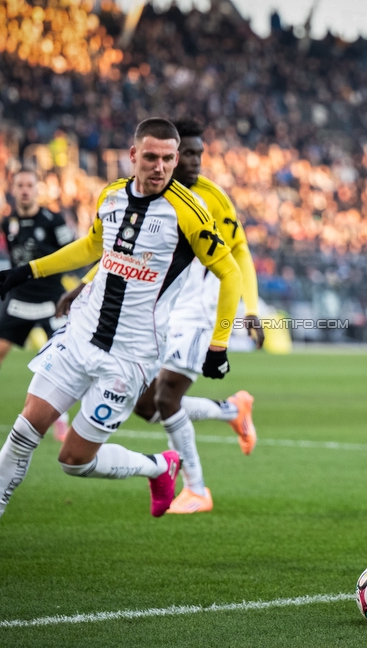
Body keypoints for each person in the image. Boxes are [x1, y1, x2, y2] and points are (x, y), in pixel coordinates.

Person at [0, 118, 242, 558]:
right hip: (80, 335)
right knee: (25, 428)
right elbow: (92, 247)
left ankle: (159, 465)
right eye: (151, 157)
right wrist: (28, 271)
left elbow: (228, 273)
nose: (159, 167)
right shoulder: (111, 195)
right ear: (133, 155)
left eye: (168, 159)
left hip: (130, 357)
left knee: (74, 461)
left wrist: (218, 345)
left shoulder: (189, 211)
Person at [57, 118, 264, 515]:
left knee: (168, 400)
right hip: (151, 317)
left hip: (196, 312)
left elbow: (238, 254)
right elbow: (117, 253)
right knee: (147, 405)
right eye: (187, 153)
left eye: (198, 154)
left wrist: (250, 310)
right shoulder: (139, 198)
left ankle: (197, 488)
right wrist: (85, 283)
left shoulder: (211, 199)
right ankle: (230, 410)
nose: (195, 161)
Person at [0, 170, 76, 440]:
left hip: (51, 299)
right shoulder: (8, 221)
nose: (25, 190)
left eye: (30, 185)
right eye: (20, 185)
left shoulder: (53, 220)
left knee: (62, 359)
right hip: (20, 299)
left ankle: (61, 420)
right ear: (14, 189)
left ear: (37, 189)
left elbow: (73, 254)